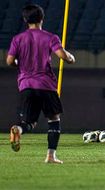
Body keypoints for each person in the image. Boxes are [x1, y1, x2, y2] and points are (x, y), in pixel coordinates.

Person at [7, 4, 75, 164]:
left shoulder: (18, 39)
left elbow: (10, 61)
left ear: (25, 20)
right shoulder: (50, 37)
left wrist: (21, 64)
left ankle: (18, 130)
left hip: (26, 85)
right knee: (53, 119)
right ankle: (51, 156)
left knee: (29, 122)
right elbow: (63, 56)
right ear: (42, 18)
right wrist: (71, 57)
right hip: (45, 84)